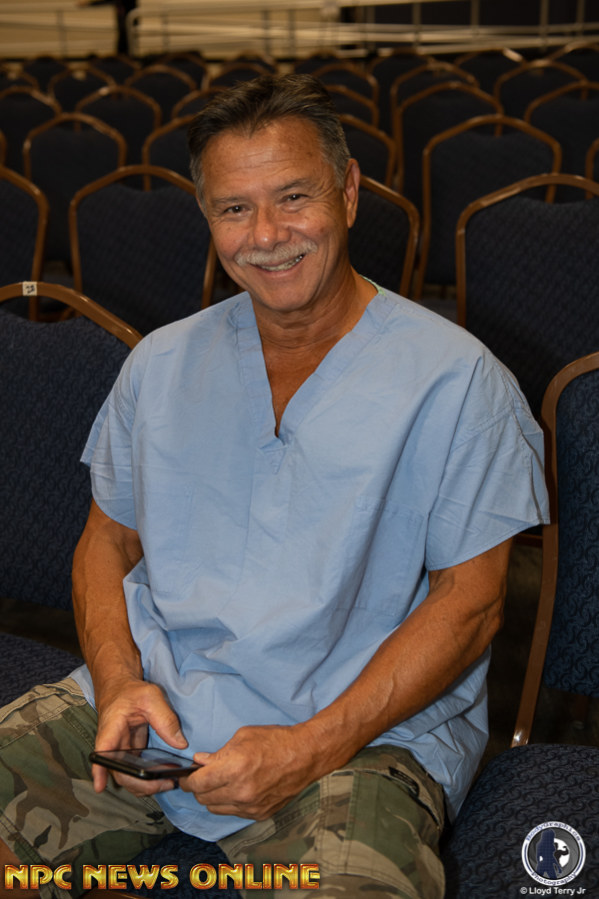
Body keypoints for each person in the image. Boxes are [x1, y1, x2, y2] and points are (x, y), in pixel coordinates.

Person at [0, 74, 548, 899]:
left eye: (293, 197)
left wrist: (310, 747)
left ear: (349, 193)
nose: (266, 235)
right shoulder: (159, 364)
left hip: (362, 738)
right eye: (234, 208)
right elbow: (107, 540)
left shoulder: (457, 381)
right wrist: (117, 683)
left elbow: (471, 604)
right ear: (206, 216)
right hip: (157, 711)